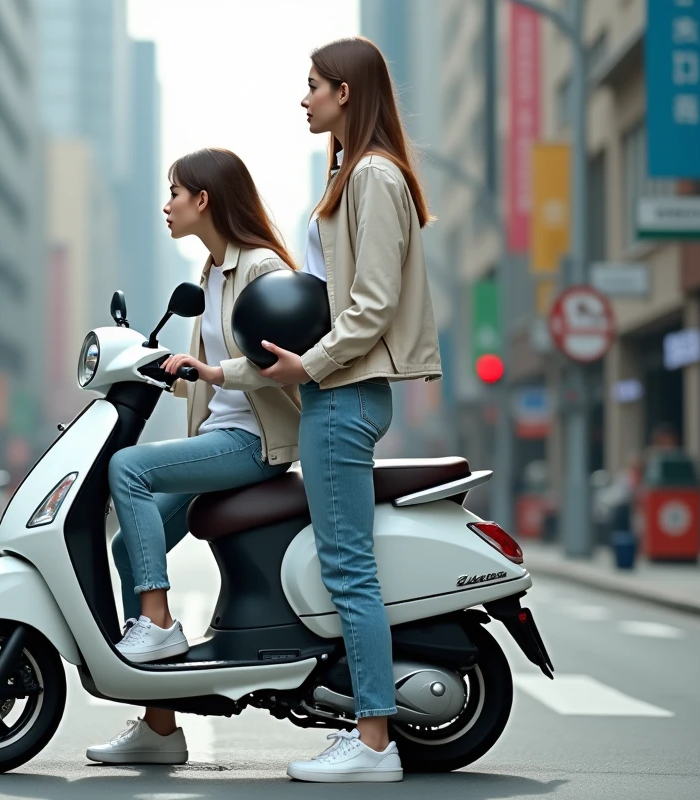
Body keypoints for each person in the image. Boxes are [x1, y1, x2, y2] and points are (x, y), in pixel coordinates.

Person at [248, 38, 442, 783]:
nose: (305, 99)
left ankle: (371, 744)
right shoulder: (350, 173)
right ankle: (364, 731)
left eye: (314, 86)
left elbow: (371, 305)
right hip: (336, 388)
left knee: (348, 571)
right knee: (344, 566)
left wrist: (312, 364)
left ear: (347, 94)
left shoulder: (371, 176)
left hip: (346, 389)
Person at [86, 148, 303, 766]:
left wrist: (209, 368)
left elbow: (273, 361)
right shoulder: (210, 272)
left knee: (128, 467)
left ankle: (155, 626)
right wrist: (167, 370)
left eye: (174, 192)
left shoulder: (258, 269)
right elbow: (208, 377)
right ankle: (160, 728)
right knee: (127, 547)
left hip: (254, 443)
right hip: (220, 435)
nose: (166, 204)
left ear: (203, 199)